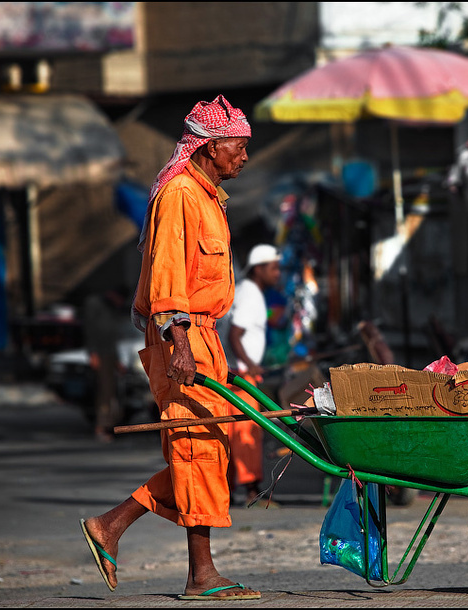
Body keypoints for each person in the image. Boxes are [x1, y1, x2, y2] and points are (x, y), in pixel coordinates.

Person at [79, 94, 261, 601]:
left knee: (208, 450)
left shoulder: (207, 197)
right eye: (238, 147)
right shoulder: (180, 193)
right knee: (196, 449)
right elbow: (167, 277)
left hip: (203, 336)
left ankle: (111, 525)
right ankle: (200, 574)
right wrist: (179, 342)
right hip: (181, 339)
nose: (244, 157)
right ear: (207, 148)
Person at [222, 244, 282, 506]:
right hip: (241, 378)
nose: (278, 273)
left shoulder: (250, 291)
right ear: (259, 269)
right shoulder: (250, 294)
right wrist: (250, 364)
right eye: (273, 268)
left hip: (241, 375)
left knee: (235, 434)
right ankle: (251, 491)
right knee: (247, 434)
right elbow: (235, 335)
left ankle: (235, 489)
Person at [82, 288, 126, 442]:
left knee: (112, 391)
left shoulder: (111, 310)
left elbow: (111, 336)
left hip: (110, 354)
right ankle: (101, 427)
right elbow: (91, 331)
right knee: (104, 391)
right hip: (100, 354)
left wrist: (117, 360)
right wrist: (93, 353)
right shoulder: (95, 304)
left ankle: (109, 425)